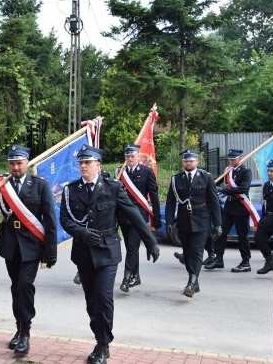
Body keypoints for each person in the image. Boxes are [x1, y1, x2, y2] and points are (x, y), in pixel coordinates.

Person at [60, 144, 160, 364]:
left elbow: (133, 213)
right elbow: (66, 220)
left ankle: (103, 346)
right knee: (91, 301)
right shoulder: (70, 190)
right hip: (84, 252)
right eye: (80, 162)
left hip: (107, 250)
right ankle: (98, 338)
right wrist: (82, 233)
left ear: (98, 164)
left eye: (87, 162)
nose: (83, 166)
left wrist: (150, 241)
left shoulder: (113, 187)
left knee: (104, 298)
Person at [0, 144, 57, 357]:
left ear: (27, 163)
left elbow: (50, 219)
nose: (15, 167)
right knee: (15, 286)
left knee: (25, 286)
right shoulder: (1, 184)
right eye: (12, 163)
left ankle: (25, 333)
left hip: (31, 245)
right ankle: (18, 329)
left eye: (19, 163)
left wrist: (51, 250)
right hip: (10, 244)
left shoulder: (39, 185)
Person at [165, 149, 222, 298]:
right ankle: (194, 280)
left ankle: (191, 282)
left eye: (191, 160)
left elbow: (215, 202)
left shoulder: (206, 177)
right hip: (184, 221)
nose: (188, 163)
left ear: (197, 162)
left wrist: (217, 224)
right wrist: (169, 222)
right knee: (188, 253)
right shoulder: (176, 179)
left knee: (197, 252)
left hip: (202, 219)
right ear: (182, 162)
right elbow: (170, 202)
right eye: (186, 160)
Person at [116, 144, 161, 293]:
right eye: (127, 156)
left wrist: (156, 217)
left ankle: (127, 277)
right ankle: (136, 275)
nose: (129, 159)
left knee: (133, 247)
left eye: (132, 156)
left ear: (138, 156)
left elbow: (153, 194)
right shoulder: (120, 172)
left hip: (139, 213)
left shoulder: (147, 172)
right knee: (129, 247)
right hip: (123, 214)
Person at [206, 149, 253, 272]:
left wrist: (223, 190)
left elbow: (243, 188)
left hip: (241, 207)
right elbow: (219, 182)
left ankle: (246, 262)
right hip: (229, 206)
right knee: (220, 232)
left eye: (233, 159)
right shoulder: (229, 170)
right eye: (230, 159)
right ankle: (218, 259)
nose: (231, 161)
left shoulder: (246, 171)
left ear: (240, 159)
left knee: (242, 236)